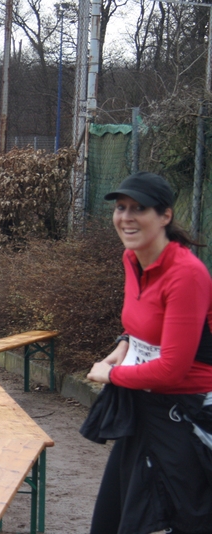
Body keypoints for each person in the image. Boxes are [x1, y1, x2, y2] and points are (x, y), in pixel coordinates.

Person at [83, 171, 212, 534]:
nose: (126, 217)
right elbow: (144, 320)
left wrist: (111, 374)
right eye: (121, 207)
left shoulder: (186, 274)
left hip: (184, 415)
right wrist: (124, 343)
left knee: (174, 522)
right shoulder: (132, 258)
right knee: (111, 518)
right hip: (142, 405)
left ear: (165, 215)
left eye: (139, 208)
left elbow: (172, 369)